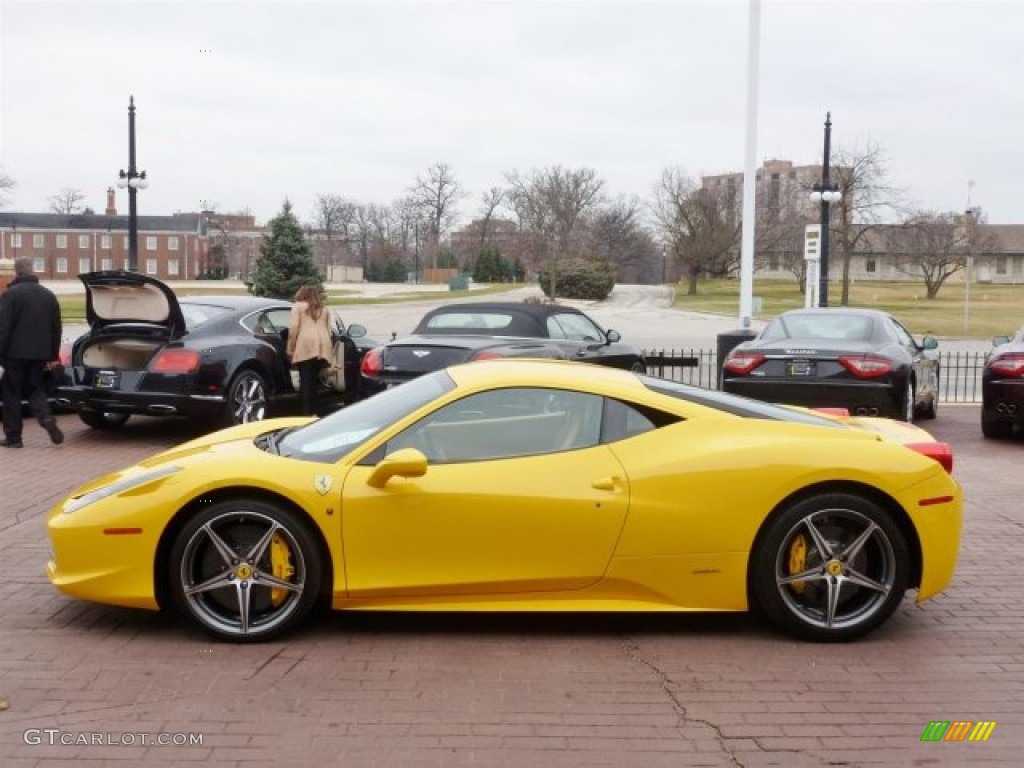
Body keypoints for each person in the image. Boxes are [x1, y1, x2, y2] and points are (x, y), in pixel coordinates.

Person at [0, 258, 64, 448]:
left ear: (16, 272)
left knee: (11, 394)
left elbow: (4, 327)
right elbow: (56, 328)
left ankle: (14, 438)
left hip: (15, 354)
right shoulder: (49, 295)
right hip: (40, 354)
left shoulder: (11, 295)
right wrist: (52, 355)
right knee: (36, 389)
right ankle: (46, 418)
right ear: (33, 271)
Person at [286, 285, 336, 416]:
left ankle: (306, 413)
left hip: (306, 345)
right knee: (314, 381)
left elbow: (294, 327)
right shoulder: (324, 309)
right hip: (323, 345)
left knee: (306, 383)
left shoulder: (298, 306)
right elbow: (329, 331)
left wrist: (290, 348)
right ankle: (315, 411)